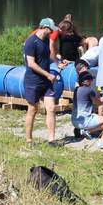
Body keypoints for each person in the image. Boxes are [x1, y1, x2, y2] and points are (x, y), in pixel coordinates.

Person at [23, 18, 60, 146]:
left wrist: (58, 62)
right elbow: (31, 64)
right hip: (33, 81)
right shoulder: (31, 42)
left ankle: (51, 139)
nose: (52, 32)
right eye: (51, 29)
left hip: (46, 81)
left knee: (51, 108)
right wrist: (47, 75)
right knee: (33, 109)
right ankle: (29, 139)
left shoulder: (45, 41)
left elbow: (45, 58)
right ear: (44, 27)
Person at [71, 71, 103, 139]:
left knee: (97, 117)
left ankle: (81, 130)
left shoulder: (76, 89)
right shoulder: (89, 90)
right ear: (86, 81)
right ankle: (88, 131)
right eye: (90, 80)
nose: (91, 82)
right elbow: (98, 103)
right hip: (85, 120)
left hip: (74, 120)